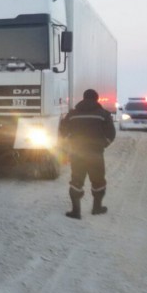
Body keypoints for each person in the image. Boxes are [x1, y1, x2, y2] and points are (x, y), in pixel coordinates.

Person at [59, 89, 116, 219]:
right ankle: (97, 207)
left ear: (83, 98)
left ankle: (76, 211)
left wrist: (69, 143)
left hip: (77, 153)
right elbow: (111, 134)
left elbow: (63, 131)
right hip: (95, 154)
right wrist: (103, 144)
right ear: (97, 99)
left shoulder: (72, 114)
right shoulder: (104, 114)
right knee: (98, 181)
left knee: (76, 181)